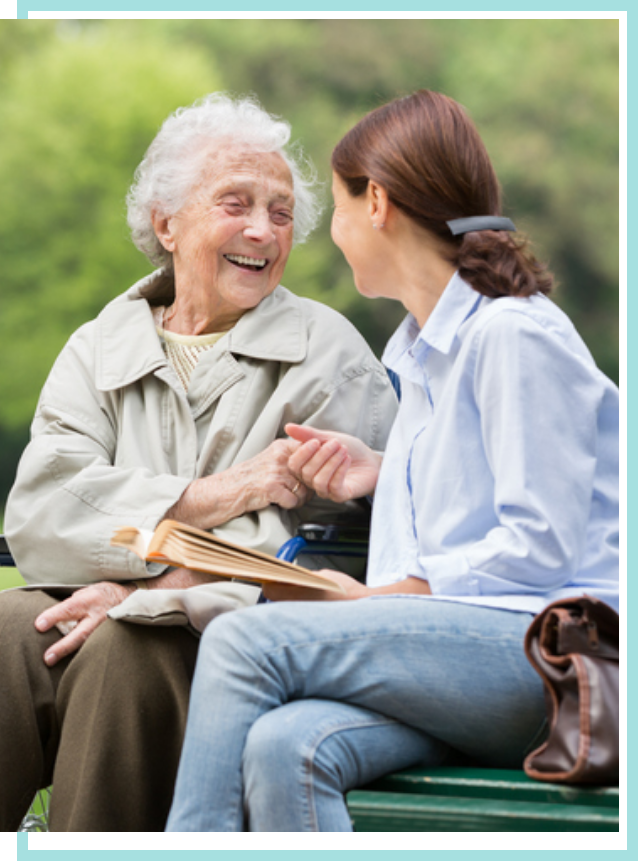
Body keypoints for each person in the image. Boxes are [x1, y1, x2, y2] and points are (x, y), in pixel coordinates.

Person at [164, 90, 620, 832]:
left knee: (244, 640)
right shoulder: (425, 351)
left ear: (375, 201)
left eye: (338, 210)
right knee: (288, 746)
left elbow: (540, 544)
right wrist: (381, 468)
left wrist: (390, 595)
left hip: (546, 656)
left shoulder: (512, 335)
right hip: (464, 665)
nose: (332, 235)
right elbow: (490, 487)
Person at [0, 93, 398, 832]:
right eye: (236, 203)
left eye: (281, 213)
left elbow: (342, 544)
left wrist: (152, 588)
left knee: (127, 648)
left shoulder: (328, 352)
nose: (262, 230)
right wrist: (219, 493)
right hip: (100, 606)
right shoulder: (100, 344)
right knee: (3, 629)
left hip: (235, 637)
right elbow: (39, 511)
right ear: (166, 221)